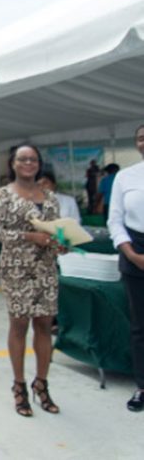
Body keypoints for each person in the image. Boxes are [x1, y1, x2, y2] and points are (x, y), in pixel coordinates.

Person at [0, 144, 64, 417]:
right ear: (13, 163)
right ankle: (19, 386)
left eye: (33, 159)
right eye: (23, 159)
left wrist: (61, 243)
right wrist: (28, 236)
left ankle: (41, 384)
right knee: (19, 325)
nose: (28, 163)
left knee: (44, 324)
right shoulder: (2, 196)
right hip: (16, 269)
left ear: (39, 163)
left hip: (45, 268)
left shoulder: (51, 198)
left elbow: (56, 231)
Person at [108, 124, 144, 412]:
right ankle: (142, 385)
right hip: (136, 254)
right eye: (141, 137)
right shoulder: (125, 177)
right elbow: (115, 221)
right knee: (140, 327)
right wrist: (132, 254)